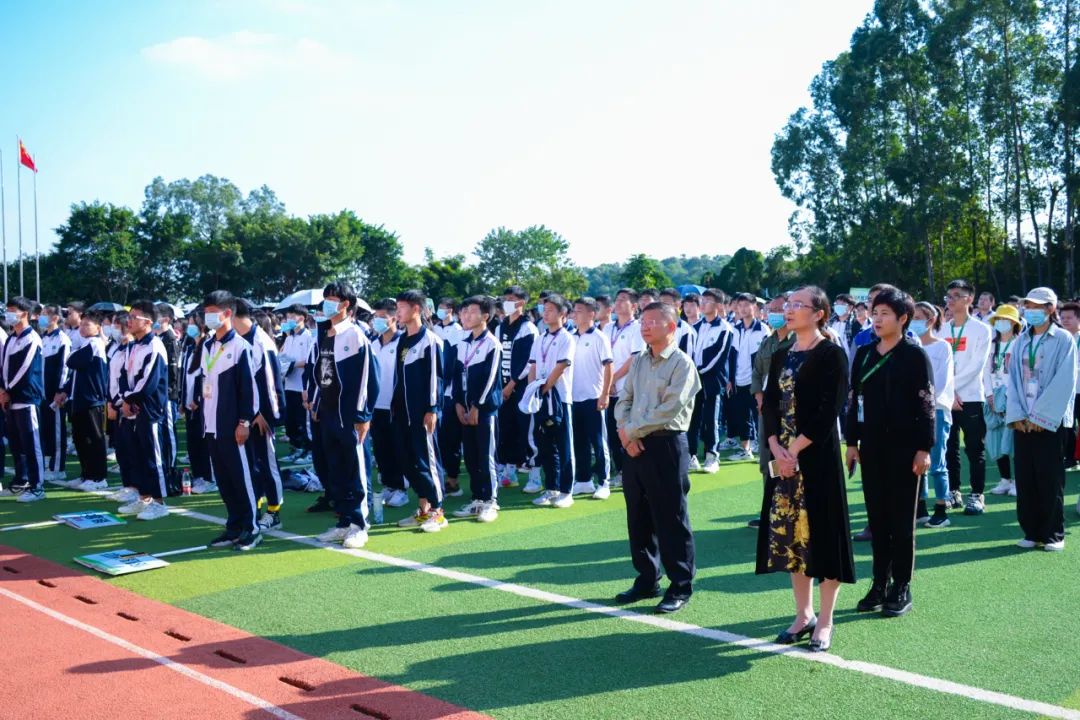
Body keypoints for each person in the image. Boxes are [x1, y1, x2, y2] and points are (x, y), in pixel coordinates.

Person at [757, 286, 854, 653]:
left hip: (815, 458)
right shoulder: (782, 353)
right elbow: (769, 404)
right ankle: (803, 614)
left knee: (824, 536)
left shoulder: (831, 354)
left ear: (819, 313)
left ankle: (825, 621)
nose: (790, 309)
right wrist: (775, 447)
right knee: (791, 539)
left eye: (799, 305)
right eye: (789, 304)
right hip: (783, 459)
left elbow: (829, 410)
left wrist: (794, 451)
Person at [846, 289, 934, 618]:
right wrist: (851, 443)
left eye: (884, 313)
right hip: (872, 447)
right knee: (878, 519)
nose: (877, 319)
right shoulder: (864, 353)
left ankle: (902, 585)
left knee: (901, 521)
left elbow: (926, 404)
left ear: (903, 318)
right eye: (875, 312)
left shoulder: (914, 355)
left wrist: (924, 448)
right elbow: (853, 400)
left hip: (906, 449)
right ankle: (879, 583)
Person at [613, 302, 701, 614]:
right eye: (643, 321)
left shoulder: (681, 363)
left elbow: (670, 409)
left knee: (671, 517)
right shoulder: (639, 360)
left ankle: (680, 585)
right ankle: (647, 579)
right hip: (634, 445)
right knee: (638, 516)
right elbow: (624, 399)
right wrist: (626, 431)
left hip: (665, 445)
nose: (645, 326)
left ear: (671, 326)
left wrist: (631, 431)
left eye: (653, 321)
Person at [309, 282, 380, 547]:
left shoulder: (355, 334)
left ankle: (359, 525)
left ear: (345, 304)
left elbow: (368, 379)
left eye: (332, 298)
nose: (327, 303)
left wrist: (362, 415)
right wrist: (317, 403)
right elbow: (321, 374)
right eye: (325, 298)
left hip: (350, 417)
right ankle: (344, 522)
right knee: (336, 470)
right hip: (329, 415)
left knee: (355, 470)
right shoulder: (325, 332)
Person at [1006, 287, 1076, 552]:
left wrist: (1042, 416)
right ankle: (1031, 531)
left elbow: (1065, 380)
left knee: (1049, 478)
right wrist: (1017, 415)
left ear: (1050, 309)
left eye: (1037, 307)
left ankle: (1053, 534)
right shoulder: (1021, 340)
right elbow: (1013, 380)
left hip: (1050, 421)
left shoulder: (1063, 339)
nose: (1031, 311)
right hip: (1022, 420)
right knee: (1026, 477)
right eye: (1029, 306)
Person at [199, 291, 261, 549]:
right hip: (211, 424)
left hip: (233, 425)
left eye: (212, 312)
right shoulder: (207, 345)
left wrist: (244, 422)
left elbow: (249, 390)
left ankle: (252, 528)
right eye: (206, 312)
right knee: (224, 480)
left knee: (241, 478)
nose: (207, 317)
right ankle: (233, 526)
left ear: (227, 313)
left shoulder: (241, 347)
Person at [393, 290, 448, 532]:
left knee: (426, 462)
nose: (397, 312)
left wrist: (432, 408)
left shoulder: (431, 340)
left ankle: (438, 511)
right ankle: (423, 509)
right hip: (402, 413)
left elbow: (436, 378)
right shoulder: (402, 340)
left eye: (401, 308)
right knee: (408, 462)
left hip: (423, 413)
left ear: (416, 309)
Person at [115, 300, 171, 520]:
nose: (128, 321)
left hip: (149, 409)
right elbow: (123, 375)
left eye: (134, 317)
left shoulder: (154, 346)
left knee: (152, 457)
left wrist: (129, 399)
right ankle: (144, 497)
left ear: (148, 321)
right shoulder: (132, 345)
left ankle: (159, 502)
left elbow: (148, 381)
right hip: (132, 407)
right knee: (136, 455)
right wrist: (125, 399)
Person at [235, 300, 287, 531]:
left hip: (261, 416)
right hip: (245, 415)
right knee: (250, 464)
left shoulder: (260, 341)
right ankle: (254, 505)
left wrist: (266, 414)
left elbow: (271, 382)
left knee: (267, 463)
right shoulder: (238, 340)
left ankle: (274, 511)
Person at [451, 295, 503, 522]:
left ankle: (490, 501)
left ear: (485, 316)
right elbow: (456, 375)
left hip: (484, 410)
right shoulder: (462, 344)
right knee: (471, 456)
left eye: (472, 312)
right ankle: (477, 499)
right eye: (464, 312)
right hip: (464, 409)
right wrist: (458, 403)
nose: (466, 316)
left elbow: (490, 380)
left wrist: (476, 406)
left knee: (485, 455)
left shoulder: (492, 344)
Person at [943, 279, 992, 515]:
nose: (951, 300)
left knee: (974, 449)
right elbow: (939, 365)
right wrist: (948, 392)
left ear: (969, 299)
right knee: (949, 448)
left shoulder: (982, 329)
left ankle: (977, 494)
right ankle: (953, 491)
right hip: (946, 399)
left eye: (956, 295)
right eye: (948, 296)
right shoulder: (942, 329)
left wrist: (952, 388)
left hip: (970, 397)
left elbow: (977, 366)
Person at [749, 294, 794, 529]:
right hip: (766, 410)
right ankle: (770, 508)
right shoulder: (768, 342)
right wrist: (759, 398)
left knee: (786, 459)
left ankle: (787, 509)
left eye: (779, 309)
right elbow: (757, 372)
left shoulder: (798, 341)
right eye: (771, 309)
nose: (774, 314)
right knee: (767, 461)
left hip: (789, 411)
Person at [528, 294, 577, 508]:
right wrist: (533, 389)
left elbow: (562, 366)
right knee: (545, 445)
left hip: (560, 398)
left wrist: (544, 387)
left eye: (550, 310)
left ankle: (566, 491)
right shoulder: (540, 338)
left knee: (564, 445)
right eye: (544, 309)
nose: (545, 313)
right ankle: (551, 487)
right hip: (541, 397)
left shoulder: (567, 338)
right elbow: (532, 366)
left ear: (562, 313)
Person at [910, 302, 955, 529]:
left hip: (936, 410)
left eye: (919, 317)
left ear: (931, 320)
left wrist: (921, 401)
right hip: (913, 412)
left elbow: (941, 381)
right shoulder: (910, 346)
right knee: (918, 460)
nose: (914, 321)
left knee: (937, 462)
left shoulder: (942, 347)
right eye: (912, 316)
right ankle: (921, 508)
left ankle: (941, 508)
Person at [1, 297, 46, 502]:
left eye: (13, 310)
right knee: (16, 444)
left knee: (31, 444)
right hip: (11, 399)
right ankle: (21, 481)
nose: (9, 314)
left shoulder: (32, 338)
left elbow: (25, 370)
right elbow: (4, 367)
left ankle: (37, 487)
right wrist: (2, 389)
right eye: (8, 310)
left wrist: (8, 389)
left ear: (25, 314)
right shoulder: (12, 338)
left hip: (27, 398)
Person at [569, 297, 613, 499]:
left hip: (594, 396)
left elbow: (608, 366)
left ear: (591, 314)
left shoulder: (599, 337)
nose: (575, 314)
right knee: (579, 441)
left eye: (579, 310)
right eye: (574, 310)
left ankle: (604, 481)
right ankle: (584, 480)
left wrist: (605, 393)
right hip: (573, 398)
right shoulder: (570, 337)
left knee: (598, 441)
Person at [496, 286, 539, 490]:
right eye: (506, 298)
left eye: (511, 299)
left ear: (521, 302)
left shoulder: (528, 328)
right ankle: (509, 472)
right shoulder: (500, 327)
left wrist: (512, 384)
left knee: (527, 431)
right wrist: (501, 386)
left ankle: (535, 475)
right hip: (502, 387)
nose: (507, 302)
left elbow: (529, 362)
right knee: (506, 429)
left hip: (521, 387)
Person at [62, 312, 109, 493]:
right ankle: (87, 474)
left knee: (94, 439)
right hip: (80, 399)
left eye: (87, 324)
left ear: (98, 328)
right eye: (81, 324)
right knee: (80, 439)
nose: (82, 327)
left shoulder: (94, 343)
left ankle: (98, 477)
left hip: (92, 400)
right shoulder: (85, 344)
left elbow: (71, 361)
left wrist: (72, 355)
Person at [691, 289, 737, 472]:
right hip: (694, 379)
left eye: (707, 301)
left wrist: (699, 371)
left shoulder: (725, 328)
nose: (702, 304)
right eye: (702, 300)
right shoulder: (695, 327)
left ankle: (712, 456)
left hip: (713, 379)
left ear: (718, 305)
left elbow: (719, 357)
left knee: (711, 418)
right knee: (693, 417)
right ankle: (691, 455)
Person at [370, 299, 409, 508]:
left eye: (382, 317)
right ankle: (389, 484)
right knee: (381, 449)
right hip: (376, 405)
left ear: (394, 318)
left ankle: (401, 488)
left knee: (398, 448)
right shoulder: (373, 344)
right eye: (375, 317)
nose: (377, 321)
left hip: (396, 407)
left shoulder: (403, 342)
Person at [605, 289, 645, 486]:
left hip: (628, 389)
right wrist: (607, 382)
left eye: (623, 300)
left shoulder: (637, 328)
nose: (618, 303)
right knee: (612, 433)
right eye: (617, 299)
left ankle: (634, 472)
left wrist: (613, 379)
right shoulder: (607, 328)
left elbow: (635, 357)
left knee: (629, 431)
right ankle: (621, 471)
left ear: (634, 306)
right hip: (608, 389)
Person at [985, 305, 1021, 498]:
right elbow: (986, 371)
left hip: (1012, 398)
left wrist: (1010, 397)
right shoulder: (991, 345)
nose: (1001, 323)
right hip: (993, 398)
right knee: (996, 440)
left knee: (1013, 442)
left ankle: (1017, 481)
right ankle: (1005, 479)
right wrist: (989, 394)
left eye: (1005, 320)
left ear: (1014, 323)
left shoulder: (1020, 343)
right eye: (998, 319)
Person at [180, 311, 216, 495]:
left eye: (192, 322)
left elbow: (207, 376)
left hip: (202, 403)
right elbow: (185, 376)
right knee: (193, 442)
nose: (189, 326)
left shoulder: (209, 346)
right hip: (189, 404)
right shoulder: (189, 348)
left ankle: (209, 478)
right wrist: (183, 400)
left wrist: (198, 398)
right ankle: (198, 475)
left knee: (204, 442)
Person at [728, 293, 767, 461]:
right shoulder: (735, 329)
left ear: (754, 307)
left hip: (756, 380)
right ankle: (746, 449)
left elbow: (766, 359)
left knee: (761, 414)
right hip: (739, 380)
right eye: (740, 305)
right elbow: (732, 355)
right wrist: (730, 379)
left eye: (746, 305)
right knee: (742, 415)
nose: (743, 309)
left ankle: (765, 448)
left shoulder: (763, 329)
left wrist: (763, 381)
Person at [434, 298, 466, 497]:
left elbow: (454, 362)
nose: (440, 311)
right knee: (439, 438)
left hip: (450, 392)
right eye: (439, 307)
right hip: (436, 392)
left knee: (451, 438)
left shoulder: (458, 331)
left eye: (444, 308)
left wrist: (446, 383)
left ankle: (453, 480)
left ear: (452, 311)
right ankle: (441, 478)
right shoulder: (435, 328)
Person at [39, 305, 71, 482]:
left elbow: (64, 367)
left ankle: (58, 468)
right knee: (46, 429)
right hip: (42, 392)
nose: (41, 318)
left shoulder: (62, 339)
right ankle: (48, 461)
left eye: (45, 314)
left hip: (55, 394)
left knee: (58, 431)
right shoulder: (43, 337)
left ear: (55, 318)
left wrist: (60, 390)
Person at [280, 304, 315, 464]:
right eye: (287, 317)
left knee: (303, 422)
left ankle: (308, 451)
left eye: (292, 317)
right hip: (289, 384)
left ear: (302, 318)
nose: (289, 320)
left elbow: (310, 361)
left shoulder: (308, 337)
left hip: (302, 387)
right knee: (291, 421)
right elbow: (283, 357)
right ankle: (296, 449)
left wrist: (293, 364)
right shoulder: (289, 338)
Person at [1058, 301, 1080, 472]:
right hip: (1066, 390)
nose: (1065, 320)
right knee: (1068, 424)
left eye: (1069, 317)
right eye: (1062, 317)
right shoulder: (1060, 339)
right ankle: (1070, 458)